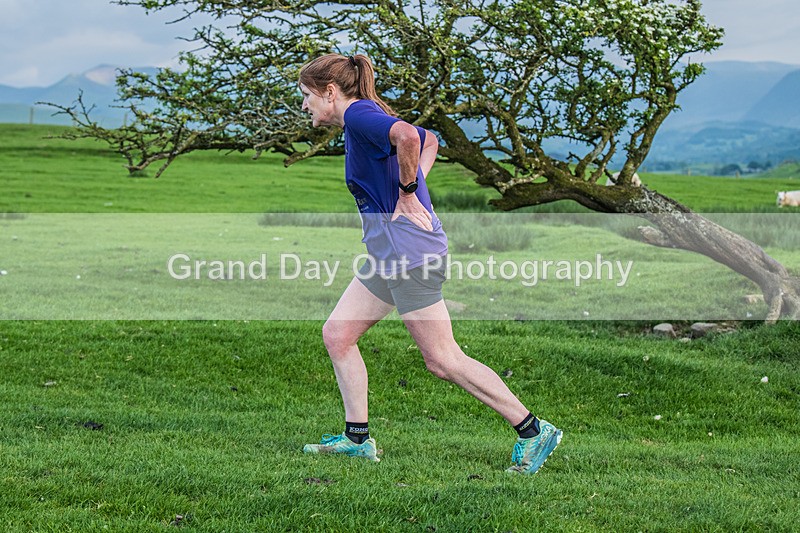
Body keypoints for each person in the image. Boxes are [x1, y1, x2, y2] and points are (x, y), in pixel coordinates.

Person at [298, 53, 561, 474]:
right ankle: (356, 440)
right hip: (388, 256)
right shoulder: (363, 120)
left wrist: (407, 193)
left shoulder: (362, 115)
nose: (305, 105)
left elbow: (409, 136)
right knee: (338, 334)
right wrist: (416, 183)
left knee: (442, 359)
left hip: (410, 256)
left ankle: (534, 431)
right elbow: (431, 138)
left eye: (307, 96)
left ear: (330, 92)